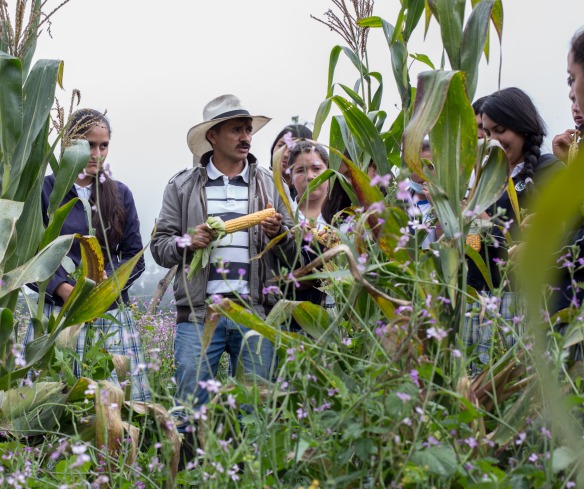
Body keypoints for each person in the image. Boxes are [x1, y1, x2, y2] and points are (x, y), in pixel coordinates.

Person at [150, 94, 296, 427]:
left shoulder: (271, 186)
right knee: (189, 411)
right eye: (236, 130)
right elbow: (159, 246)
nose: (246, 137)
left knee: (256, 413)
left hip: (255, 312)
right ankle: (187, 473)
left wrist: (280, 234)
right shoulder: (182, 186)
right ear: (212, 136)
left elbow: (293, 247)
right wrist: (189, 242)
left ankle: (249, 477)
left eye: (248, 130)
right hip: (200, 315)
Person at [26, 109, 151, 402]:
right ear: (69, 143)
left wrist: (109, 286)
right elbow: (29, 257)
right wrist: (63, 288)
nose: (96, 153)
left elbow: (135, 257)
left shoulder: (121, 194)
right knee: (52, 401)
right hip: (59, 315)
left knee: (117, 403)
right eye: (88, 144)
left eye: (103, 145)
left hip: (109, 313)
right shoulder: (44, 191)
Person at [464, 87, 563, 366]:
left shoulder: (549, 172)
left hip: (530, 305)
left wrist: (487, 227)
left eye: (500, 130)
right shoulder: (486, 184)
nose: (493, 140)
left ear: (522, 127)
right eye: (488, 132)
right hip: (484, 304)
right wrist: (471, 234)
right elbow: (476, 252)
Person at [289, 140, 330, 230]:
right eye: (300, 171)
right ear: (291, 177)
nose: (310, 176)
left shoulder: (344, 212)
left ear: (329, 172)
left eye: (316, 168)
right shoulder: (285, 217)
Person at [269, 124, 313, 200]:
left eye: (293, 148)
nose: (286, 154)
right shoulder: (259, 183)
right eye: (281, 146)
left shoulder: (313, 195)